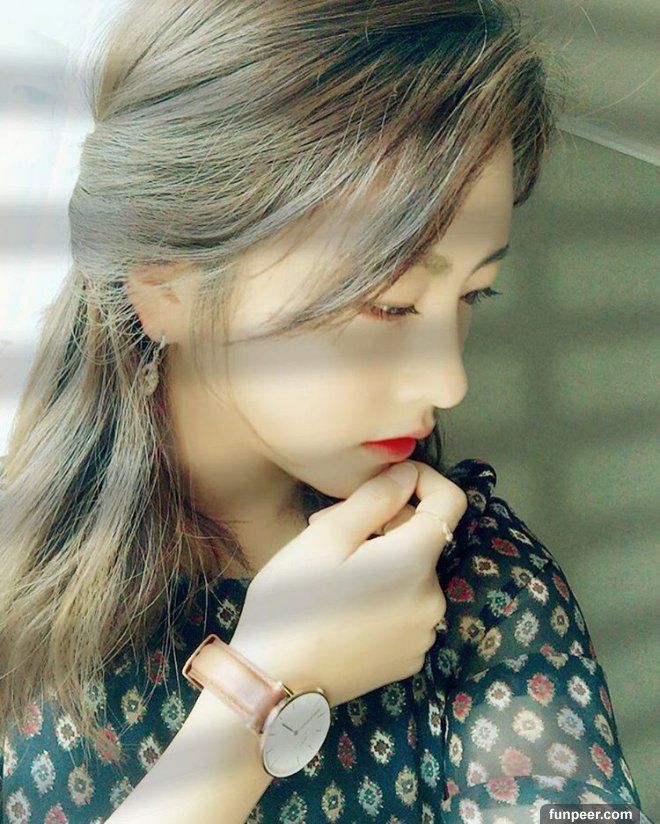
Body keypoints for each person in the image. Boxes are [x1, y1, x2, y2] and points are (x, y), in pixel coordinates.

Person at [0, 1, 649, 822]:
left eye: (473, 294)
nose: (449, 382)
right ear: (163, 283)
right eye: (388, 304)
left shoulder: (473, 581)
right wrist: (265, 694)